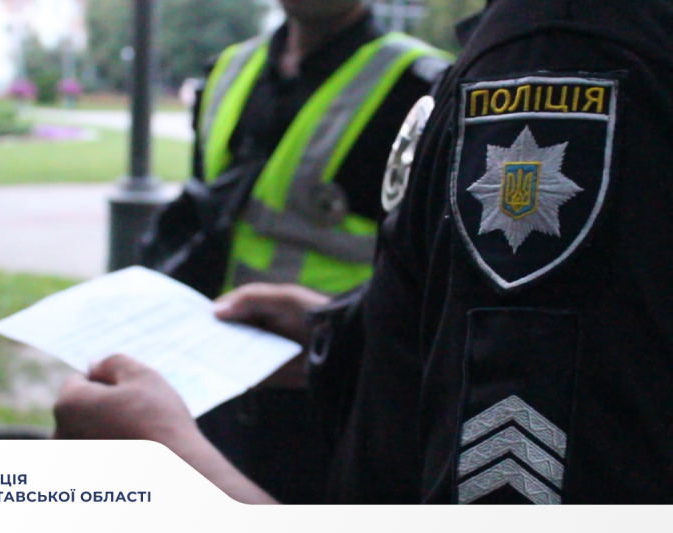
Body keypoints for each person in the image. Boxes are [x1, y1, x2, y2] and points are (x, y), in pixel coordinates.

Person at [56, 0, 673, 503]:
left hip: (304, 436)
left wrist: (173, 469)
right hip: (265, 384)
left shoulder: (558, 51)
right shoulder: (557, 35)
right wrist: (343, 335)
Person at [175, 0, 449, 504]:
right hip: (215, 378)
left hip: (332, 396)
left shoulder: (426, 88)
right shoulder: (229, 68)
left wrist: (337, 333)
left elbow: (433, 275)